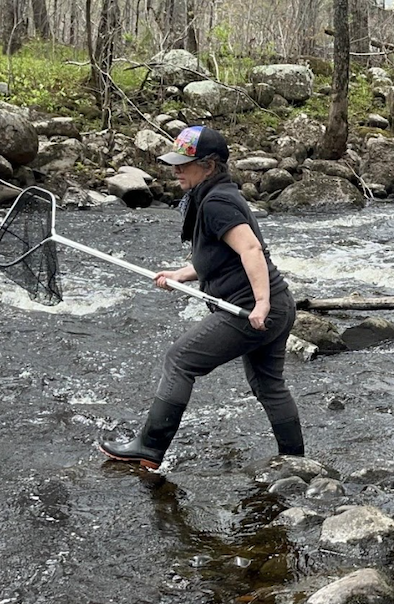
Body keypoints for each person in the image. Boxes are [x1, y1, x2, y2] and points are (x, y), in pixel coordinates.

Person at [99, 125, 303, 470]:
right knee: (269, 385)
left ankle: (148, 448)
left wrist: (261, 304)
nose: (176, 170)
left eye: (184, 164)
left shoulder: (218, 202)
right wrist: (181, 274)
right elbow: (218, 255)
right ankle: (297, 461)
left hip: (252, 308)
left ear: (209, 166)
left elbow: (251, 248)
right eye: (175, 163)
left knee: (179, 360)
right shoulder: (214, 196)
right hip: (277, 304)